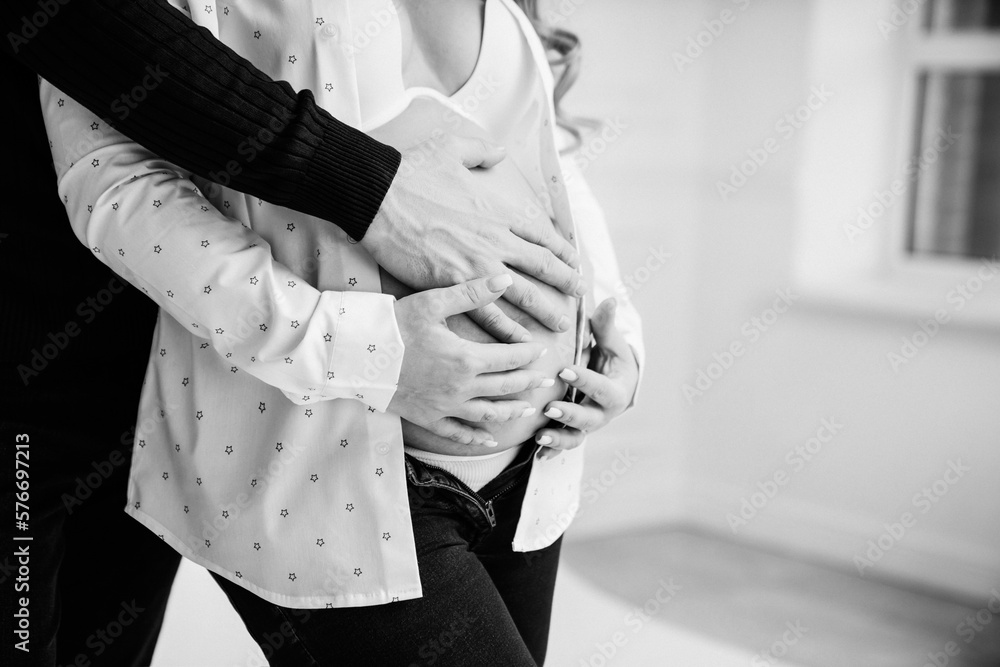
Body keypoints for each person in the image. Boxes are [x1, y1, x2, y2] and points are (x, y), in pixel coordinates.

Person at [38, 1, 644, 665]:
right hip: (330, 468)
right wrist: (367, 350)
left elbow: (540, 144)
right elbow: (118, 188)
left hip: (535, 466)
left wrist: (614, 322)